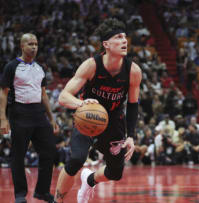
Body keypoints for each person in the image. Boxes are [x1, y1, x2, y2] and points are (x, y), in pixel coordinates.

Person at [53, 18, 142, 203]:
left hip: (114, 121)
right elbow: (64, 96)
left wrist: (131, 135)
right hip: (88, 116)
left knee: (115, 173)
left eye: (125, 37)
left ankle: (89, 180)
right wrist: (81, 104)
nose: (124, 40)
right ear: (106, 44)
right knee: (76, 159)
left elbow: (133, 104)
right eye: (118, 37)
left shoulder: (133, 71)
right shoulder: (91, 65)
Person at [0, 33, 59, 203]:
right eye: (30, 44)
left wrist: (51, 118)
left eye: (36, 44)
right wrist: (3, 119)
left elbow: (43, 95)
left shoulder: (40, 68)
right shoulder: (12, 66)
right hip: (19, 113)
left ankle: (42, 191)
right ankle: (20, 194)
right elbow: (3, 93)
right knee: (18, 155)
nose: (34, 47)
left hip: (39, 114)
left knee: (49, 152)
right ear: (22, 46)